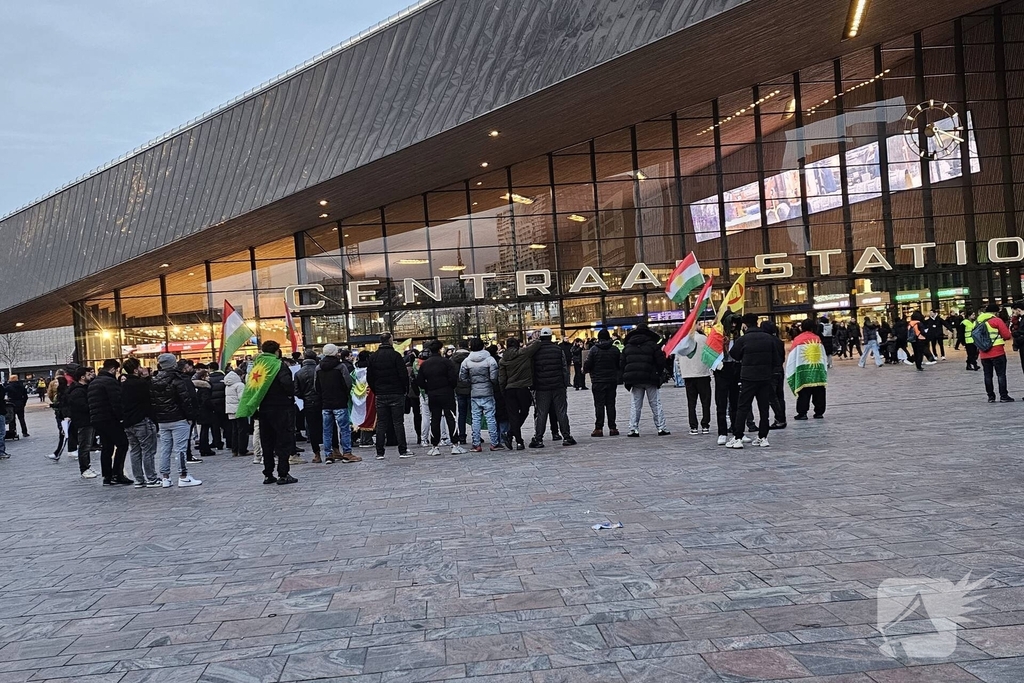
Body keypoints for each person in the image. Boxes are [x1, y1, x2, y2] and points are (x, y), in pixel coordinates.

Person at [726, 314, 781, 449]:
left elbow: (734, 355)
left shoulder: (743, 339)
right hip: (765, 378)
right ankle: (763, 437)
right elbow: (777, 359)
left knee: (743, 407)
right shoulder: (769, 338)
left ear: (744, 325)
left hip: (748, 378)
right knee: (764, 408)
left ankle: (738, 437)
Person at [150, 353, 203, 488]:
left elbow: (152, 402)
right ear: (173, 364)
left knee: (165, 449)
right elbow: (186, 400)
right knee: (180, 449)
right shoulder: (179, 379)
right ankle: (183, 476)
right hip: (179, 418)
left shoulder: (153, 380)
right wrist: (191, 417)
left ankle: (165, 477)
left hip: (162, 419)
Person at [367, 333, 414, 459]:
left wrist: (376, 390)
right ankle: (402, 450)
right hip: (396, 392)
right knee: (398, 422)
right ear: (390, 340)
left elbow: (369, 377)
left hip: (381, 393)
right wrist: (404, 390)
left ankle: (380, 452)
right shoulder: (395, 356)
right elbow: (403, 375)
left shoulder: (374, 357)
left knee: (382, 423)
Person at [87, 359, 132, 486]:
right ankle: (117, 474)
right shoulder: (110, 382)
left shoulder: (94, 382)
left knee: (107, 447)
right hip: (109, 418)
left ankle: (107, 476)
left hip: (97, 419)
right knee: (122, 444)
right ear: (113, 369)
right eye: (116, 370)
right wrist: (121, 418)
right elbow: (116, 402)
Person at [529, 327, 576, 448]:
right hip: (558, 386)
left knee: (541, 413)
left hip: (542, 387)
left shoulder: (536, 351)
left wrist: (533, 385)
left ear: (540, 337)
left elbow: (532, 370)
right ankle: (566, 436)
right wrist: (565, 383)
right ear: (551, 337)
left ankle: (538, 438)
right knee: (561, 411)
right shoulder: (557, 349)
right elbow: (564, 368)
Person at [417, 340, 465, 456]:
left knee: (435, 419)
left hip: (433, 394)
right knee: (451, 418)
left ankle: (434, 446)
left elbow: (420, 381)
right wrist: (450, 387)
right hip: (447, 393)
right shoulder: (447, 363)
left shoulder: (425, 364)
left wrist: (428, 388)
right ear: (440, 349)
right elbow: (453, 379)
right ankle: (455, 444)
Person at [620, 324, 669, 437]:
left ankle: (633, 428)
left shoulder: (628, 346)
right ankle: (661, 428)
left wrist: (627, 375)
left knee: (635, 404)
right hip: (650, 378)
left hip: (634, 379)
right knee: (655, 403)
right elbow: (660, 362)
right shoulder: (653, 345)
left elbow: (622, 363)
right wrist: (658, 373)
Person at [316, 344, 362, 463]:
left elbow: (316, 387)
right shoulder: (341, 366)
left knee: (327, 430)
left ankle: (328, 454)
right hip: (340, 402)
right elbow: (348, 383)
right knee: (344, 429)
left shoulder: (318, 368)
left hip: (326, 404)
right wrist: (344, 395)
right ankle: (347, 453)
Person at [120, 357, 160, 488]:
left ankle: (139, 479)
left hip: (128, 422)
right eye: (140, 367)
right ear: (136, 369)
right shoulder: (141, 384)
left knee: (135, 451)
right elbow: (149, 401)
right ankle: (152, 478)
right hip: (142, 420)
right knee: (148, 450)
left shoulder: (123, 384)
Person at [459, 338, 503, 452]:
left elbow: (462, 377)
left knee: (476, 419)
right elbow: (494, 377)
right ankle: (494, 443)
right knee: (491, 418)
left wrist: (472, 383)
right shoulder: (490, 359)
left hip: (474, 392)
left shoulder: (467, 361)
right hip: (488, 391)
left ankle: (476, 444)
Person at [498, 337, 537, 450]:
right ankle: (511, 434)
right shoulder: (523, 353)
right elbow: (537, 344)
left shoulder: (502, 360)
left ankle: (518, 441)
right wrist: (533, 339)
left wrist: (503, 391)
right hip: (523, 388)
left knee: (513, 415)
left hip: (509, 389)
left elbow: (501, 378)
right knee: (524, 411)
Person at [788, 319, 829, 421]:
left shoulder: (798, 339)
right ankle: (819, 412)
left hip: (803, 370)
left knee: (804, 392)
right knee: (819, 391)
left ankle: (802, 413)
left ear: (802, 327)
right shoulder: (817, 338)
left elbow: (792, 357)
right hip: (817, 369)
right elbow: (823, 355)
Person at [583, 329, 621, 437]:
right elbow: (619, 364)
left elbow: (588, 364)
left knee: (599, 405)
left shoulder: (594, 350)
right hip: (611, 380)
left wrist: (585, 370)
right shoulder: (614, 349)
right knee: (611, 404)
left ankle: (599, 428)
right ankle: (613, 428)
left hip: (598, 381)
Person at [674, 329, 712, 435]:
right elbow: (710, 355)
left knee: (691, 403)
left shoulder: (682, 341)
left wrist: (683, 371)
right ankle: (705, 425)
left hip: (688, 376)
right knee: (705, 402)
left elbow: (677, 360)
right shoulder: (704, 339)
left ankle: (693, 426)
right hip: (703, 374)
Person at [976, 303, 1014, 403]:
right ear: (995, 312)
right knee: (1001, 375)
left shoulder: (978, 321)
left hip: (984, 352)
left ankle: (991, 397)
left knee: (987, 375)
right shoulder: (996, 320)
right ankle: (1003, 396)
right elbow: (1007, 335)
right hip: (997, 351)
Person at [714, 317, 742, 446]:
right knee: (721, 402)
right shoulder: (717, 336)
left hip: (735, 369)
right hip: (722, 370)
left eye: (736, 323)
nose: (734, 325)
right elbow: (709, 353)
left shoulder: (739, 336)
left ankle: (738, 431)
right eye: (732, 323)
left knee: (735, 402)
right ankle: (722, 432)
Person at [65, 366, 98, 477]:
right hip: (83, 421)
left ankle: (87, 466)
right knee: (84, 446)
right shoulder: (78, 391)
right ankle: (84, 469)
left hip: (88, 420)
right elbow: (82, 407)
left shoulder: (84, 388)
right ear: (82, 377)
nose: (91, 376)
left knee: (87, 445)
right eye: (88, 375)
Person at [294, 350, 324, 462]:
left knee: (312, 428)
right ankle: (331, 451)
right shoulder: (319, 370)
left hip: (308, 402)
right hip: (322, 401)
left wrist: (304, 397)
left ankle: (316, 453)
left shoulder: (299, 373)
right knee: (327, 424)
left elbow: (296, 391)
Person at [761, 321, 788, 430]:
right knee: (780, 396)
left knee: (772, 397)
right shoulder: (779, 341)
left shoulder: (765, 341)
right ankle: (781, 418)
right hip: (779, 370)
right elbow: (782, 357)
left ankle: (780, 419)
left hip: (770, 371)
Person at [224, 365, 249, 457]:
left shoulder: (228, 384)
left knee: (234, 431)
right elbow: (242, 398)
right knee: (242, 430)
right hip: (239, 409)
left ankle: (235, 450)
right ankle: (242, 450)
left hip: (230, 410)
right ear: (240, 375)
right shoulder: (240, 385)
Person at [192, 368, 216, 459]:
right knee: (205, 430)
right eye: (207, 376)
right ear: (203, 377)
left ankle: (204, 447)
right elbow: (206, 400)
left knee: (203, 430)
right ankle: (205, 448)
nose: (209, 377)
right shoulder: (205, 388)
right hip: (205, 411)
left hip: (200, 411)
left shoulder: (198, 387)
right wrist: (213, 407)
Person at [451, 340, 472, 446]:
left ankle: (462, 436)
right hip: (471, 388)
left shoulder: (452, 359)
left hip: (459, 389)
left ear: (458, 346)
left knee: (462, 413)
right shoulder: (471, 357)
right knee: (474, 413)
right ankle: (476, 435)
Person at [207, 362, 227, 451]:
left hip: (213, 405)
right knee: (226, 423)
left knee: (215, 425)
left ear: (210, 368)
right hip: (223, 403)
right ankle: (229, 442)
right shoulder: (224, 377)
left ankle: (217, 442)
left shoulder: (209, 379)